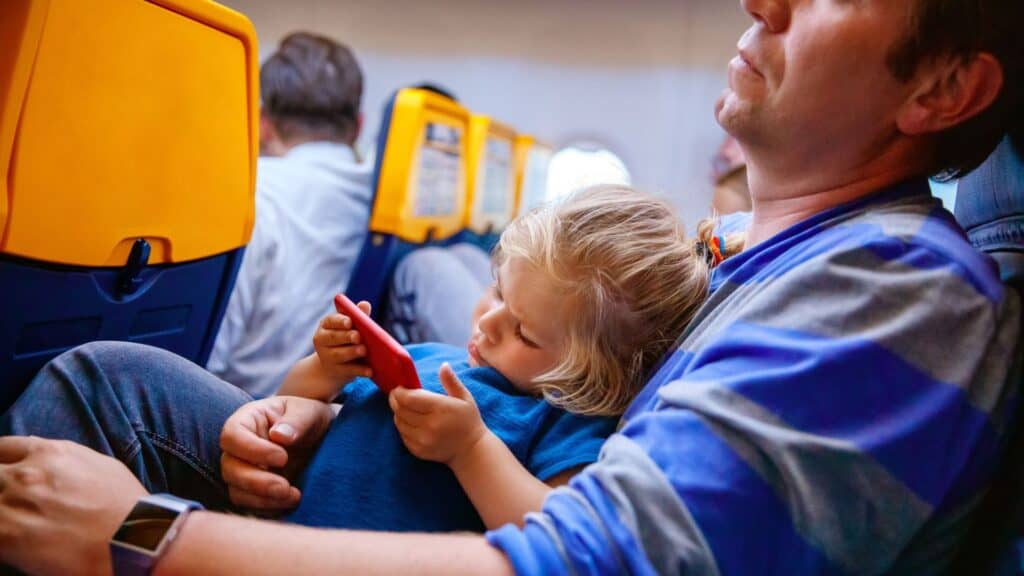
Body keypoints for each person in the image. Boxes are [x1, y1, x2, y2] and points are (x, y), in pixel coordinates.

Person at [0, 1, 1020, 574]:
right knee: (115, 380)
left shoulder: (895, 287)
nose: (762, 3)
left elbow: (592, 561)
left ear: (941, 89)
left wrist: (144, 536)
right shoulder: (768, 250)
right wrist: (312, 410)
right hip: (393, 485)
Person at [274, 186, 725, 532]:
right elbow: (288, 405)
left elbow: (556, 532)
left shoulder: (563, 425)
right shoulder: (427, 357)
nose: (488, 323)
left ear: (595, 377)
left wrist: (470, 449)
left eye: (523, 333)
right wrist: (325, 370)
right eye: (497, 292)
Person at [206, 32, 374, 397]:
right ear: (358, 126)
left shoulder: (249, 193)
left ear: (263, 123)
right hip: (328, 406)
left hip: (240, 411)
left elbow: (206, 365)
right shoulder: (380, 199)